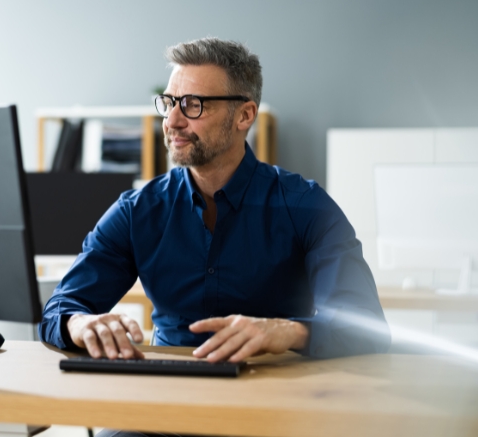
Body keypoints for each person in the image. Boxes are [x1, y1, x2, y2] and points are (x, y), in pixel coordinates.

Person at [38, 37, 390, 367]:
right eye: (169, 103)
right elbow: (59, 310)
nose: (172, 121)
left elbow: (366, 327)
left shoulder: (306, 207)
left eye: (193, 105)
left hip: (273, 402)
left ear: (245, 115)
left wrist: (288, 331)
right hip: (165, 401)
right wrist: (80, 324)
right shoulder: (136, 211)